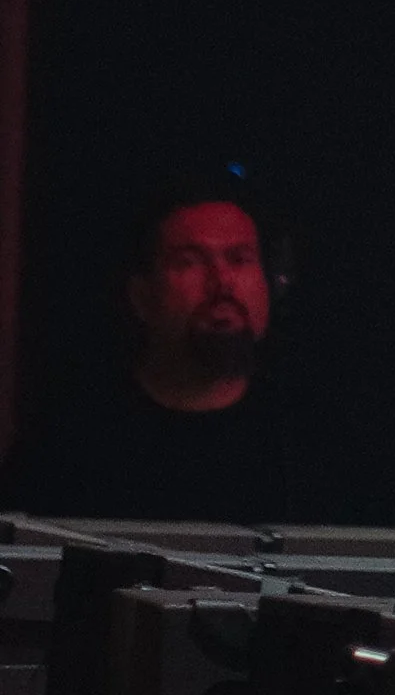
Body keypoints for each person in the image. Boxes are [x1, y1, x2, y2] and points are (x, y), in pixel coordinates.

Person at [12, 171, 304, 522]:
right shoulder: (73, 444)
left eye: (239, 259)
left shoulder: (306, 439)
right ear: (142, 297)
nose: (222, 283)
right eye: (190, 261)